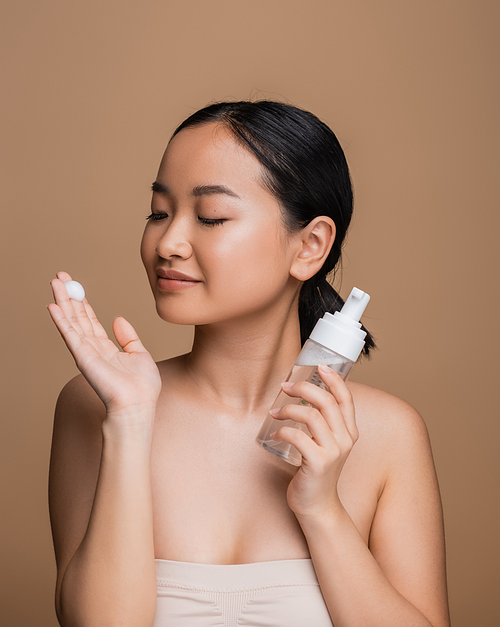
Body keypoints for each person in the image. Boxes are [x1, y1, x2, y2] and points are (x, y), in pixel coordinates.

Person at [47, 100, 451, 627]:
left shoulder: (388, 435)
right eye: (159, 212)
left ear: (309, 246)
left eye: (211, 217)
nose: (167, 243)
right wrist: (127, 420)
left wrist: (322, 511)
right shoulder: (94, 405)